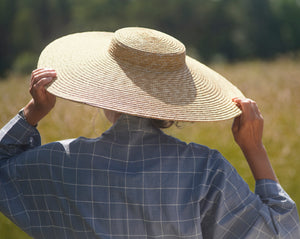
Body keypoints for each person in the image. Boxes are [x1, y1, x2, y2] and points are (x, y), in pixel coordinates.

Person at [0, 27, 299, 239]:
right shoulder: (206, 170)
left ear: (104, 91)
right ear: (174, 104)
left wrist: (33, 113)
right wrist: (254, 148)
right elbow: (281, 233)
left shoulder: (63, 163)